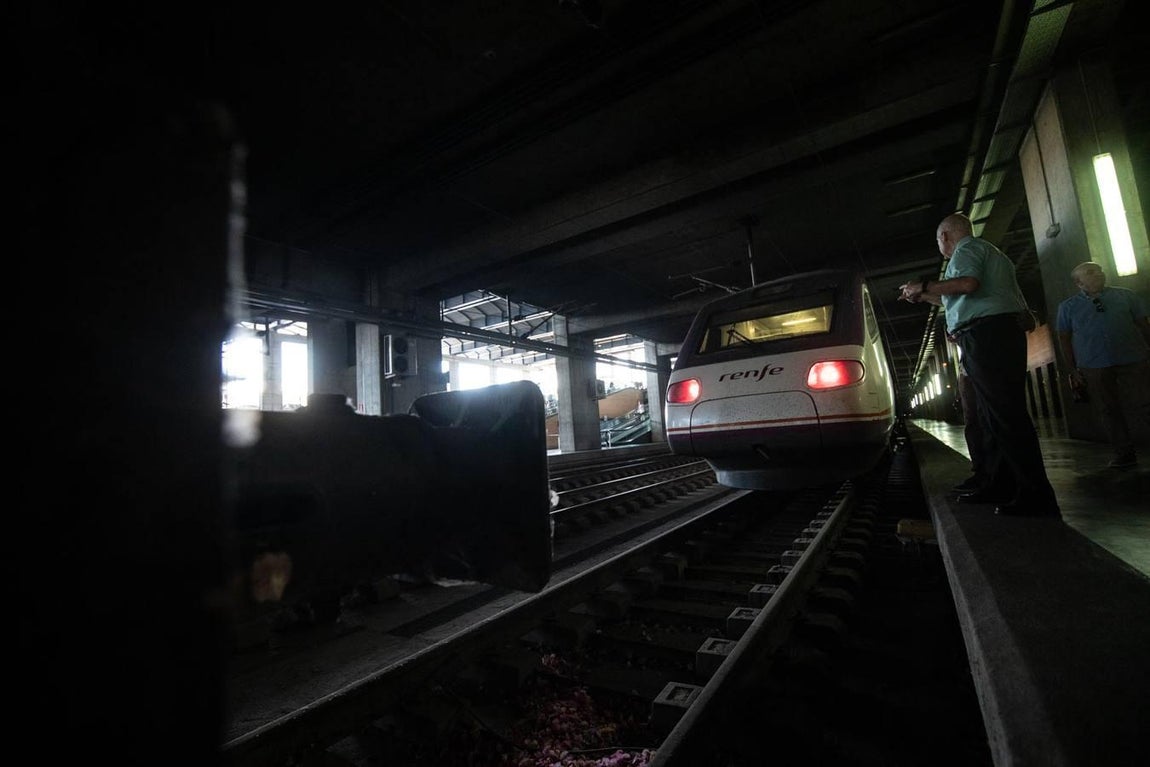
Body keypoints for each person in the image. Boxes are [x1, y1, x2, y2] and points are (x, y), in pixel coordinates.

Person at [900, 212, 1060, 518]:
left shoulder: (967, 250)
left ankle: (1035, 494)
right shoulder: (989, 252)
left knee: (1004, 417)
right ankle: (1001, 485)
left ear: (944, 237)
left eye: (938, 240)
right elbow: (958, 298)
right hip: (990, 334)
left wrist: (924, 283)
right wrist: (924, 295)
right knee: (992, 417)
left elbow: (968, 284)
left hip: (988, 335)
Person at [1055, 261, 1150, 468]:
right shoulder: (1068, 307)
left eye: (1099, 270)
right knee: (1108, 409)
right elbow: (1064, 339)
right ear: (1079, 283)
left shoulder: (1126, 296)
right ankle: (1124, 452)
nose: (1099, 274)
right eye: (1091, 273)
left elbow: (1144, 325)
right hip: (1094, 364)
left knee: (1145, 402)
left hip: (1133, 358)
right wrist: (1072, 370)